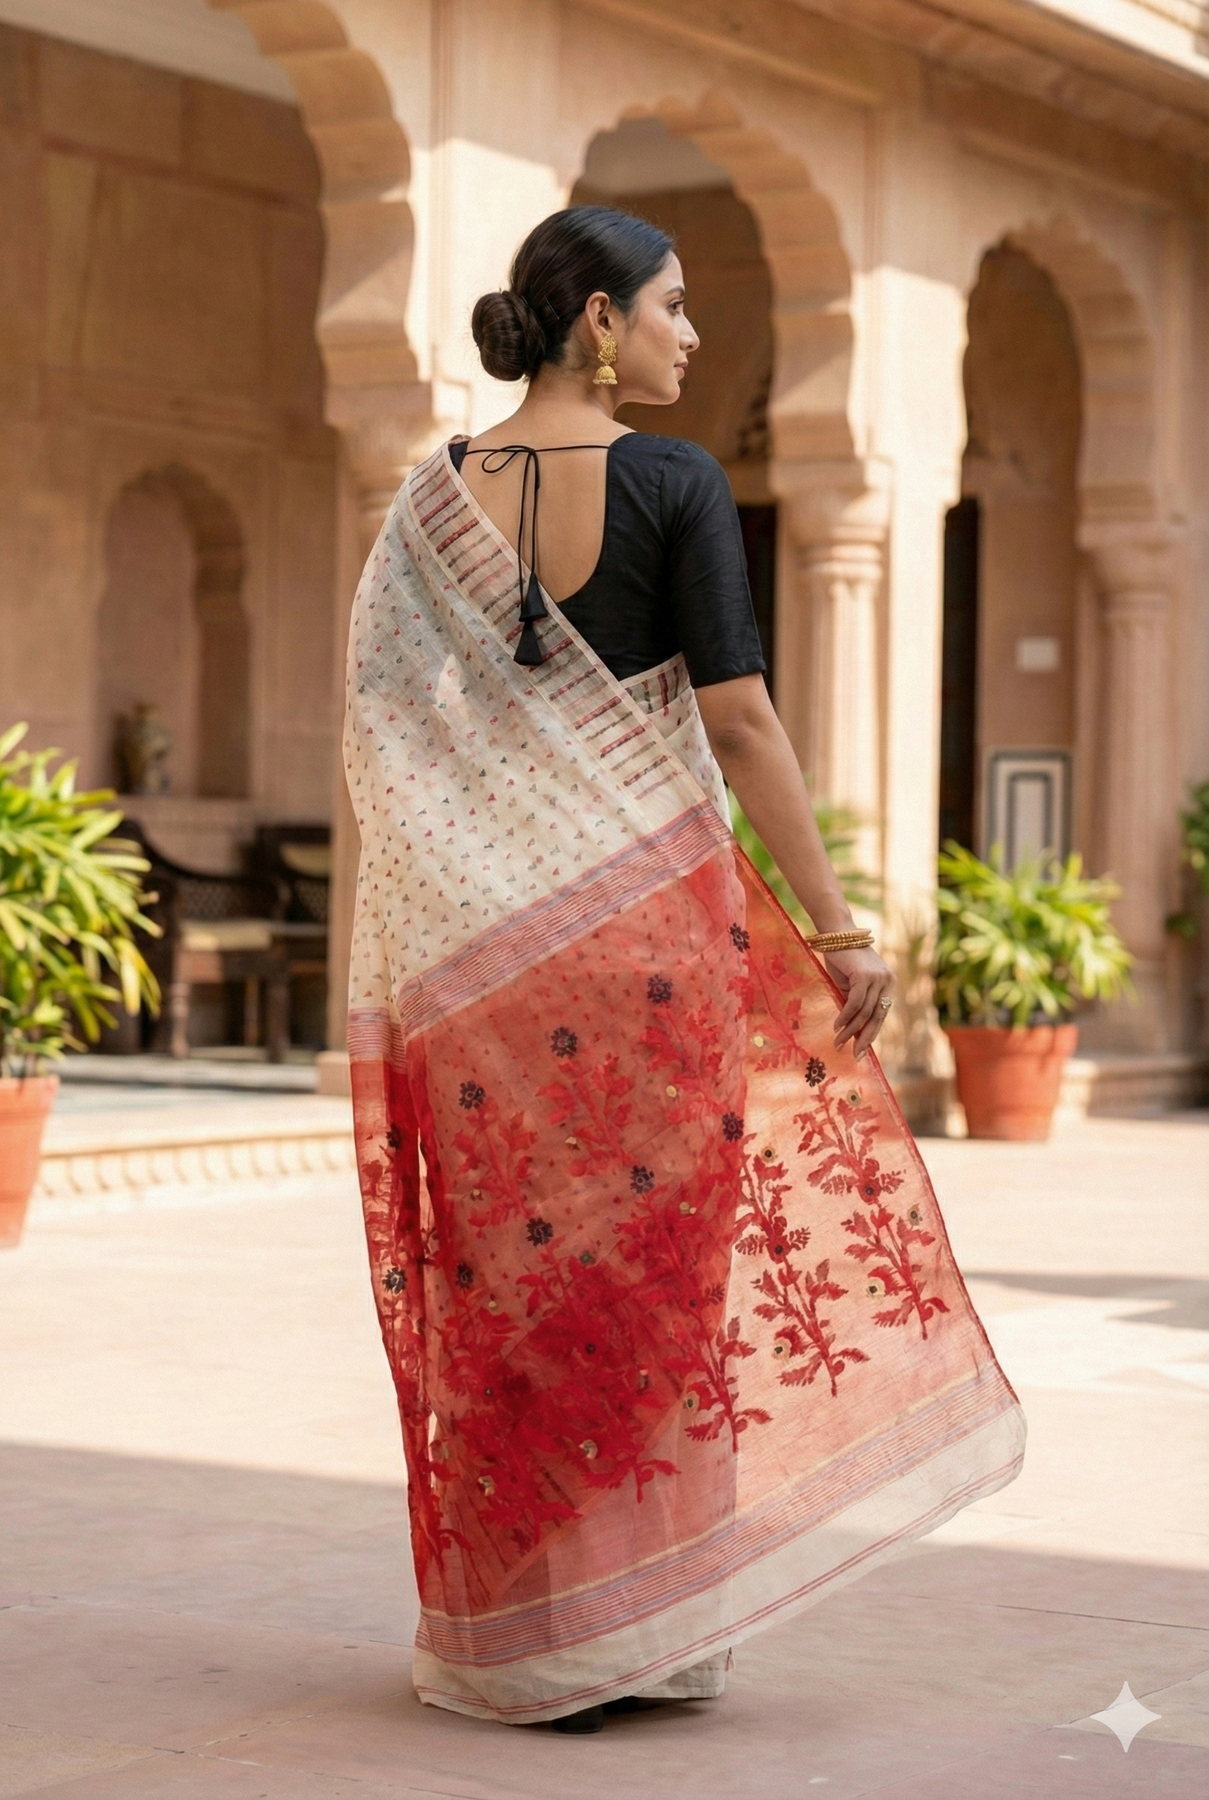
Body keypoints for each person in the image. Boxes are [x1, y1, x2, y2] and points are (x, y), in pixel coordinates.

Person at [344, 206, 1023, 1734]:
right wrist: (838, 927)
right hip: (647, 947)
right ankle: (635, 1630)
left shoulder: (431, 499)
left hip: (483, 966)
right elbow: (739, 722)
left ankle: (521, 1638)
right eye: (671, 305)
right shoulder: (673, 482)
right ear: (598, 318)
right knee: (646, 1276)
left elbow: (389, 728)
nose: (690, 333)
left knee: (510, 1276)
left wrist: (470, 875)